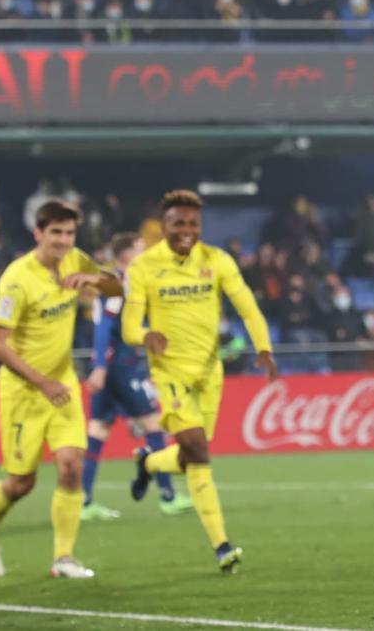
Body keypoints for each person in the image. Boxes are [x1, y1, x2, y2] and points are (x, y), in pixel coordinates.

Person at [122, 190, 278, 573]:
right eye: (179, 223)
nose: (187, 231)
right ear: (164, 226)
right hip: (170, 373)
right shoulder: (143, 267)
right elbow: (128, 324)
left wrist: (264, 347)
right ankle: (222, 545)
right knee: (198, 450)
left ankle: (150, 462)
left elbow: (247, 307)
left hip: (210, 374)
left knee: (192, 453)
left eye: (193, 224)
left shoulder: (217, 260)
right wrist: (144, 336)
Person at [0, 200, 122, 579]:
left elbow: (117, 286)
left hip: (63, 383)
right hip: (24, 392)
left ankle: (64, 558)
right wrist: (42, 381)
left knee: (72, 465)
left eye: (69, 233)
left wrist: (93, 280)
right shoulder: (16, 279)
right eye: (56, 232)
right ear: (38, 233)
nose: (64, 240)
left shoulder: (76, 260)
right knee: (22, 482)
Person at [80, 232, 194, 521]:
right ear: (127, 254)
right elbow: (105, 326)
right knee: (153, 426)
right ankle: (168, 496)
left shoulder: (119, 282)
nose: (145, 254)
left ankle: (83, 501)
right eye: (140, 250)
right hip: (118, 366)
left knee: (97, 431)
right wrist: (103, 367)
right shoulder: (116, 284)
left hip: (112, 364)